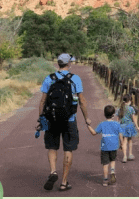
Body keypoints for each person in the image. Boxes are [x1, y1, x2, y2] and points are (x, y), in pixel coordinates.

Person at [38, 53, 91, 191]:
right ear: (69, 64)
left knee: (52, 147)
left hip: (52, 119)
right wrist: (87, 118)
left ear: (58, 63)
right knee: (68, 149)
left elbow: (43, 101)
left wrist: (41, 118)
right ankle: (64, 182)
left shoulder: (49, 78)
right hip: (69, 119)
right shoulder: (75, 79)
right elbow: (82, 101)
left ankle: (53, 172)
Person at [87, 105, 123, 187]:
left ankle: (105, 180)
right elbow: (120, 134)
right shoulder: (117, 124)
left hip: (105, 147)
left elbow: (94, 133)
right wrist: (121, 144)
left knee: (105, 164)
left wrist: (88, 125)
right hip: (114, 146)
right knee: (113, 160)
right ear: (113, 115)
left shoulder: (102, 124)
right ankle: (113, 172)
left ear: (104, 114)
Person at [117, 94, 139, 162]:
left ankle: (124, 156)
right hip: (129, 126)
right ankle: (130, 154)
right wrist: (137, 127)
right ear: (129, 101)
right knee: (130, 140)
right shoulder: (131, 109)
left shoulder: (120, 108)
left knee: (124, 141)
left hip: (122, 126)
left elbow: (118, 119)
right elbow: (134, 118)